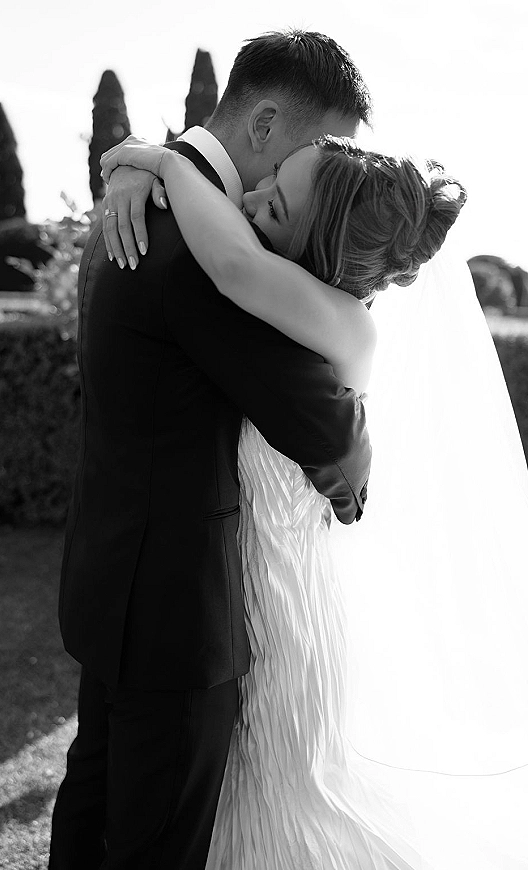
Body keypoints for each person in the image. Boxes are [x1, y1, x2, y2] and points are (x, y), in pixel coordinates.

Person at [100, 132, 528, 869]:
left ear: (320, 243)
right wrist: (128, 170)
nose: (251, 196)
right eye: (270, 177)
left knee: (291, 815)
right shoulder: (296, 299)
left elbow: (232, 264)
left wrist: (165, 161)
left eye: (279, 202)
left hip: (291, 616)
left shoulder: (343, 324)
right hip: (249, 602)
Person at [49, 31, 374, 870]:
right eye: (316, 149)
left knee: (90, 814)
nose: (321, 174)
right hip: (173, 620)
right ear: (265, 123)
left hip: (111, 581)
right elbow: (328, 430)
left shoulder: (133, 201)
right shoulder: (199, 244)